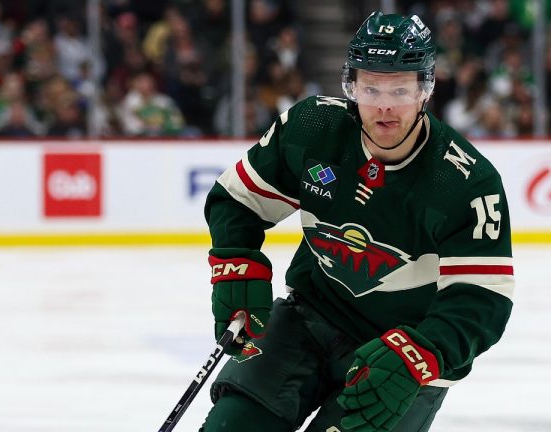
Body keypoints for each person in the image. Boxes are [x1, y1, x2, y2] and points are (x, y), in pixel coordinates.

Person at [200, 11, 514, 432]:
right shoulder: (313, 129)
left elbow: (481, 297)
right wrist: (237, 263)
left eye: (400, 89)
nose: (384, 106)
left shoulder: (464, 182)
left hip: (401, 355)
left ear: (425, 90)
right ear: (351, 86)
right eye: (370, 87)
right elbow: (238, 199)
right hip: (308, 320)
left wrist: (423, 353)